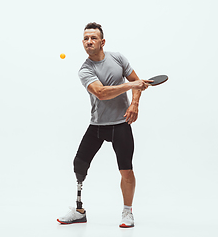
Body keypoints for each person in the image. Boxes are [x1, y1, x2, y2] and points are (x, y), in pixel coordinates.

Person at [57, 22, 152, 228]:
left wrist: (134, 103)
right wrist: (130, 85)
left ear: (102, 42)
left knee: (126, 169)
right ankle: (79, 210)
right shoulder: (85, 70)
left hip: (121, 124)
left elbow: (137, 82)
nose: (89, 41)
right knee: (79, 164)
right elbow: (101, 93)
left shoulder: (117, 58)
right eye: (85, 39)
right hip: (98, 125)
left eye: (93, 38)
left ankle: (127, 212)